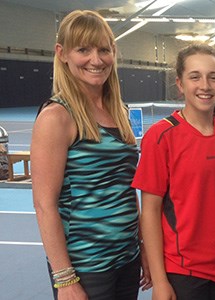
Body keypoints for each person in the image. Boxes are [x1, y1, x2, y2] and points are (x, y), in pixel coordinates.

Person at [31, 10, 150, 299]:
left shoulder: (119, 113)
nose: (96, 60)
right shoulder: (57, 117)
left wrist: (142, 246)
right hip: (85, 268)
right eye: (83, 49)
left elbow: (127, 188)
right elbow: (44, 205)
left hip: (126, 259)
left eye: (103, 50)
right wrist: (65, 278)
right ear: (62, 53)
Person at [133, 43, 215, 300]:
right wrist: (161, 281)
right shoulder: (160, 136)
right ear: (181, 84)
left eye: (213, 77)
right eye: (195, 76)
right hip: (183, 273)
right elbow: (150, 212)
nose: (205, 85)